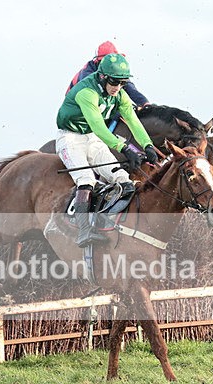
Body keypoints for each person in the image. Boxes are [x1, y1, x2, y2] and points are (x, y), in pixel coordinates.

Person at [56, 53, 158, 247]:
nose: (117, 87)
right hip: (70, 138)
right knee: (86, 180)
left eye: (122, 83)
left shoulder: (119, 94)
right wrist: (123, 147)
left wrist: (147, 145)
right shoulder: (87, 92)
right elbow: (98, 126)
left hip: (91, 139)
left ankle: (106, 222)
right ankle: (84, 231)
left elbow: (133, 121)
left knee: (124, 179)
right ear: (102, 77)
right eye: (114, 82)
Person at [67, 41, 149, 108]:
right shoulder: (87, 73)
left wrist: (144, 103)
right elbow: (94, 96)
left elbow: (129, 87)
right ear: (97, 61)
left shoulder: (116, 69)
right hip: (76, 104)